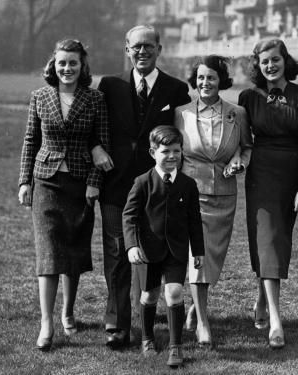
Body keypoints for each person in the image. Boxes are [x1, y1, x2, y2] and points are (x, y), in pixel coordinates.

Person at [92, 24, 191, 349]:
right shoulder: (109, 85)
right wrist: (96, 147)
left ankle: (152, 311)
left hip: (157, 188)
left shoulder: (175, 89)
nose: (143, 52)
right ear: (127, 49)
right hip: (116, 183)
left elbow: (182, 136)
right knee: (117, 252)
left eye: (149, 46)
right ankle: (118, 324)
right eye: (137, 47)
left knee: (158, 249)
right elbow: (95, 124)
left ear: (159, 49)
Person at [18, 39, 109, 351]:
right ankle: (47, 322)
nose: (67, 69)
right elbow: (31, 140)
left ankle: (68, 312)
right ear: (53, 66)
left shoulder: (95, 99)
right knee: (48, 253)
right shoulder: (40, 97)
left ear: (82, 66)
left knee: (73, 251)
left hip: (81, 185)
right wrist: (24, 181)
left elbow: (102, 142)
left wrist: (95, 183)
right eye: (62, 63)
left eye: (73, 63)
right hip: (46, 183)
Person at [238, 39, 298, 349]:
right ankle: (275, 318)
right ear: (256, 65)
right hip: (260, 175)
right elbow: (242, 139)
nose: (270, 65)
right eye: (263, 61)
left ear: (285, 60)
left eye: (275, 59)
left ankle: (260, 297)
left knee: (277, 242)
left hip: (291, 174)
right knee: (267, 240)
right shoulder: (248, 97)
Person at [175, 55, 252, 347]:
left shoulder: (237, 113)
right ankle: (204, 324)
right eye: (201, 78)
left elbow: (246, 147)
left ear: (221, 81)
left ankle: (196, 306)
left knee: (213, 259)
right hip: (190, 194)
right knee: (198, 257)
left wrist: (238, 162)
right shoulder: (181, 113)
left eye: (211, 78)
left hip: (224, 194)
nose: (205, 83)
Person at [122, 125, 204, 367]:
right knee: (150, 295)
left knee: (175, 292)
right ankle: (147, 338)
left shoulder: (188, 185)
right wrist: (131, 246)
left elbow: (194, 220)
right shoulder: (142, 182)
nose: (172, 156)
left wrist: (197, 250)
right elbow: (129, 216)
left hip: (177, 250)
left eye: (177, 151)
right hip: (148, 251)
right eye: (166, 151)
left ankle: (175, 346)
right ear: (152, 152)